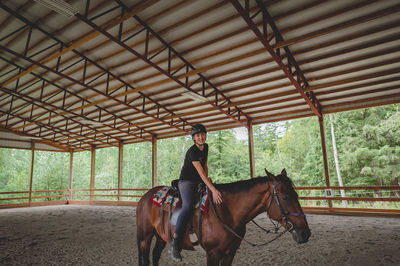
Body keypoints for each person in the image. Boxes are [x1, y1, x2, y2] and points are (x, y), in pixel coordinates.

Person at [170, 124, 223, 262]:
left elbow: (204, 166)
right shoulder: (192, 151)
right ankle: (175, 243)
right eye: (198, 135)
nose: (201, 137)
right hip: (186, 182)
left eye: (203, 134)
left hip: (199, 180)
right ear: (194, 138)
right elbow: (200, 173)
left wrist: (208, 178)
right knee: (188, 206)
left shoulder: (206, 147)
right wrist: (212, 188)